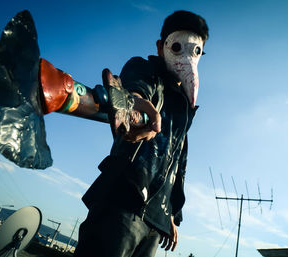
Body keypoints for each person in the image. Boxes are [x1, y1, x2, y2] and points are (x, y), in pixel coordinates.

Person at [74, 10, 209, 257]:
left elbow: (177, 162)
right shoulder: (145, 70)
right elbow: (137, 88)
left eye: (197, 51)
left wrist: (169, 212)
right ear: (161, 46)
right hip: (122, 202)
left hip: (155, 222)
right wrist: (134, 101)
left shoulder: (184, 111)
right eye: (178, 47)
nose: (188, 58)